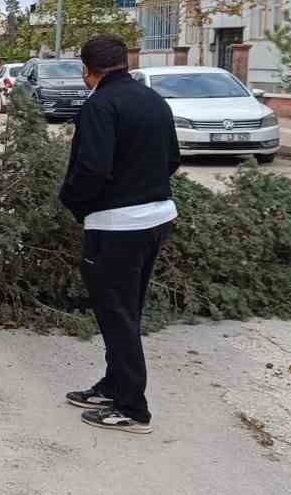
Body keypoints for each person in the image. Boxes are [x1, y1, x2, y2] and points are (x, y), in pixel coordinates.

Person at [58, 35, 181, 435]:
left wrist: (74, 204)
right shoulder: (153, 100)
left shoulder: (99, 105)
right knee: (127, 311)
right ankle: (114, 385)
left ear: (86, 69)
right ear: (125, 62)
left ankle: (132, 408)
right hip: (156, 219)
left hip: (116, 227)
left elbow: (91, 169)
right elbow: (173, 159)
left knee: (117, 315)